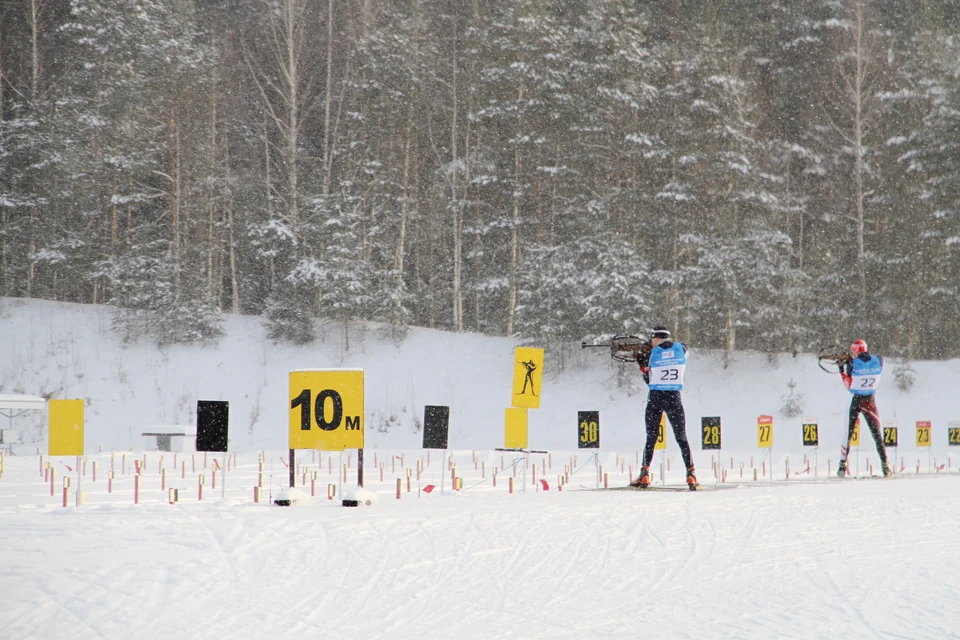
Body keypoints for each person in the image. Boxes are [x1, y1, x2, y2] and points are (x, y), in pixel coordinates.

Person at [629, 326, 698, 490]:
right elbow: (679, 348)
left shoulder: (650, 355)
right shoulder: (681, 349)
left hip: (656, 398)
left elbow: (649, 381)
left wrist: (642, 366)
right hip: (674, 397)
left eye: (652, 338)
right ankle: (691, 474)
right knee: (681, 437)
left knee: (651, 438)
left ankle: (644, 474)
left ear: (656, 338)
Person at [837, 339, 891, 477]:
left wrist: (841, 370)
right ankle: (885, 466)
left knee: (847, 434)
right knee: (877, 435)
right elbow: (872, 359)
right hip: (870, 401)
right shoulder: (878, 360)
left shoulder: (852, 364)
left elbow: (848, 385)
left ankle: (842, 466)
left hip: (857, 400)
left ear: (854, 350)